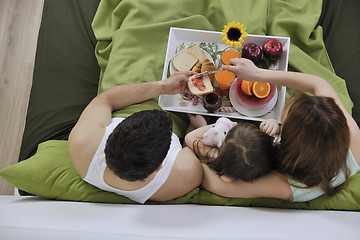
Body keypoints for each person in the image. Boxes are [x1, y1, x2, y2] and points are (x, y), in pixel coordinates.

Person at [198, 58, 360, 202]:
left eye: (285, 124)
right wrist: (257, 74)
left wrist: (206, 144)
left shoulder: (291, 185)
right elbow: (319, 83)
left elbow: (220, 185)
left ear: (289, 145)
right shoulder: (349, 129)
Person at [68, 71, 203, 204]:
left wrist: (163, 86)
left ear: (111, 137)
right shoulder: (186, 174)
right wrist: (197, 127)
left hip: (141, 95)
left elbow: (106, 99)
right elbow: (191, 143)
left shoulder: (82, 142)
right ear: (159, 167)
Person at [185, 115, 279, 182]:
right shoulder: (268, 152)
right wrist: (273, 124)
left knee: (196, 123)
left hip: (198, 140)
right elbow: (276, 135)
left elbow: (189, 137)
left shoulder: (217, 155)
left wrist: (222, 126)